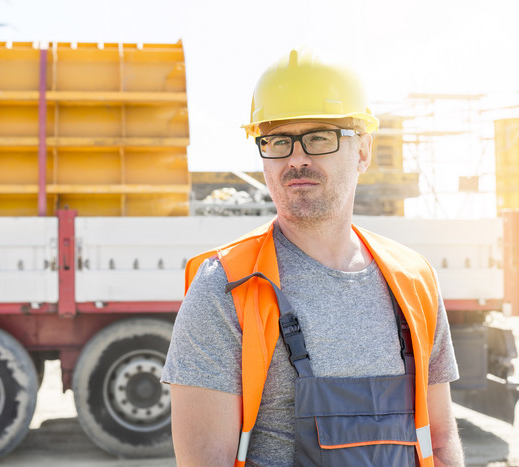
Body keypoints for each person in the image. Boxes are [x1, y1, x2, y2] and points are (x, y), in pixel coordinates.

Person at [161, 47, 465, 467]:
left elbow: (442, 440)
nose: (296, 158)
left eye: (319, 137)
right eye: (278, 141)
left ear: (362, 151)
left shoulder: (414, 281)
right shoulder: (227, 288)